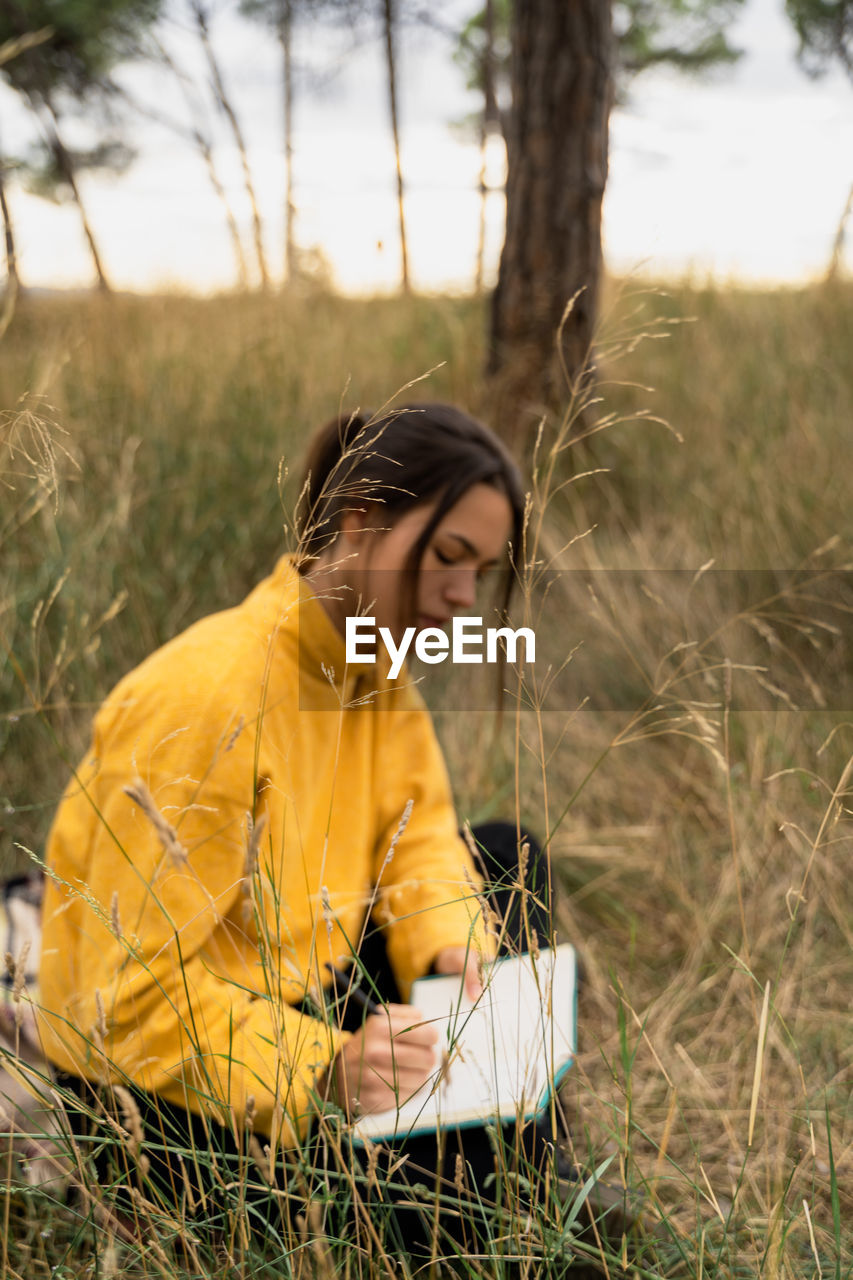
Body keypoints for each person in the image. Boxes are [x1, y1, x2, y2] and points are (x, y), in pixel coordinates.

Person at [38, 403, 574, 1265]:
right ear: (359, 525)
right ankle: (500, 1207)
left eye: (480, 571)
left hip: (307, 991)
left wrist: (451, 947)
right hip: (168, 1096)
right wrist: (320, 1068)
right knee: (426, 1215)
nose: (464, 598)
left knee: (506, 858)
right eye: (446, 558)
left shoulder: (374, 661)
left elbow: (422, 832)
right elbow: (122, 1007)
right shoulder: (206, 697)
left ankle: (508, 1184)